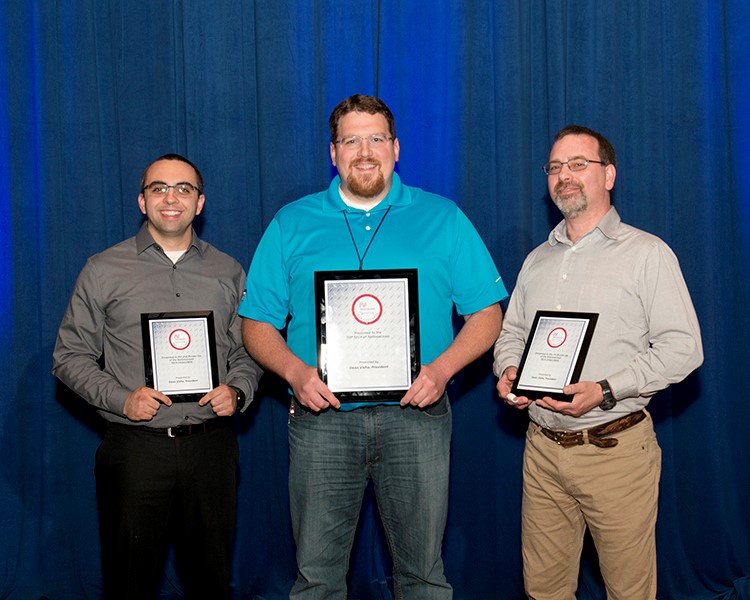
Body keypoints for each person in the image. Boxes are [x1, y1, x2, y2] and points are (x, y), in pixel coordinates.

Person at [240, 94, 507, 598]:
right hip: (322, 421)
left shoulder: (443, 217)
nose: (365, 151)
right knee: (316, 577)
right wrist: (296, 375)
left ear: (397, 148)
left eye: (376, 139)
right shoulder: (291, 223)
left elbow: (487, 314)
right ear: (333, 153)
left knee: (424, 576)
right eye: (351, 140)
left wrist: (443, 370)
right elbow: (256, 323)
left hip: (417, 418)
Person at [494, 125, 703, 599]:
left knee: (628, 591)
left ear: (609, 175)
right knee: (544, 590)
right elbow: (512, 335)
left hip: (616, 454)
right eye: (555, 167)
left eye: (578, 164)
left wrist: (606, 389)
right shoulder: (536, 261)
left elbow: (684, 347)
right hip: (542, 450)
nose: (564, 175)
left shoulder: (647, 254)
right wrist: (508, 372)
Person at [52, 154, 262, 599]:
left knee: (211, 580)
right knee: (129, 579)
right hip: (135, 448)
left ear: (200, 203)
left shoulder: (228, 270)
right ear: (141, 201)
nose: (172, 198)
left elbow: (250, 351)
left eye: (184, 188)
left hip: (211, 448)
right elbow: (69, 357)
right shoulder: (102, 269)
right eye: (159, 188)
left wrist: (239, 391)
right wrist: (120, 397)